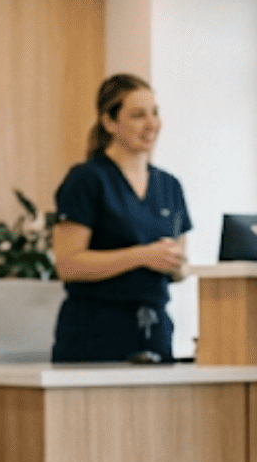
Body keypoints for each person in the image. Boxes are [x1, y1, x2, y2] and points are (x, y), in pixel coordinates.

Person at [50, 73, 191, 363]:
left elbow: (179, 265)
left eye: (155, 112)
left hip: (155, 332)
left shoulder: (170, 186)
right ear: (109, 122)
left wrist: (177, 265)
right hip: (96, 334)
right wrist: (142, 256)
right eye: (138, 115)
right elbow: (68, 264)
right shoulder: (87, 180)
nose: (152, 124)